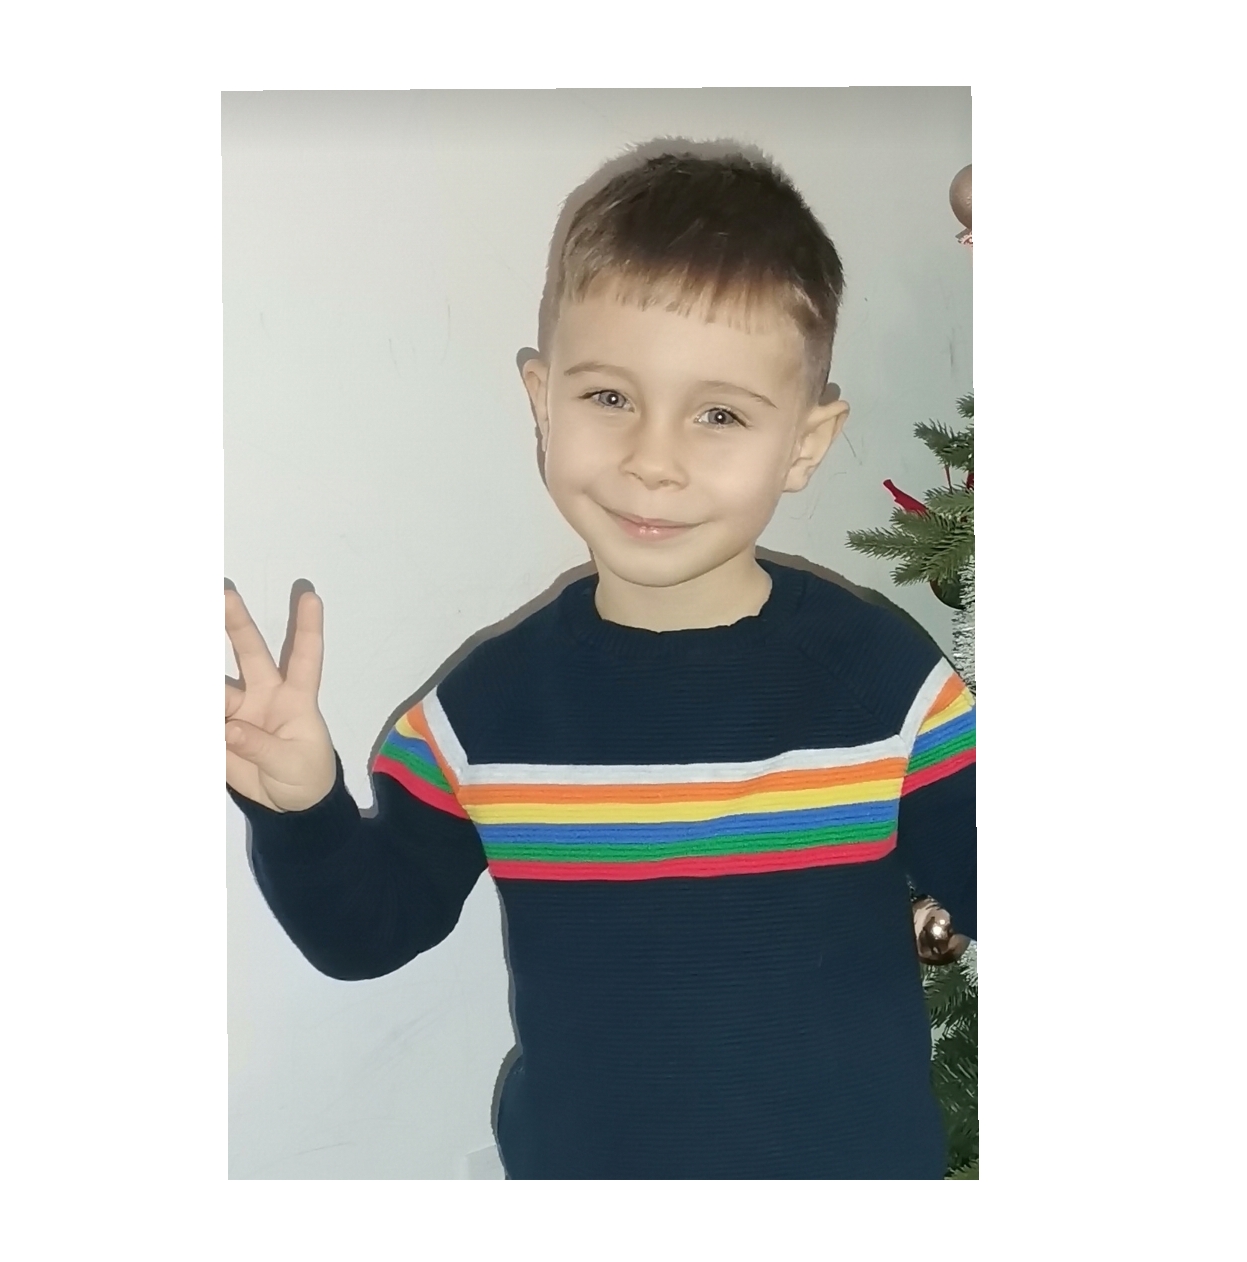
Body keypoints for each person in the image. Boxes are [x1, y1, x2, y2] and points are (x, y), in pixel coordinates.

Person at [225, 145, 976, 1178]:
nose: (652, 460)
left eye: (719, 414)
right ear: (543, 401)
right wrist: (300, 809)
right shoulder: (486, 711)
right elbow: (367, 934)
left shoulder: (885, 685)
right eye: (610, 398)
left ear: (805, 444)